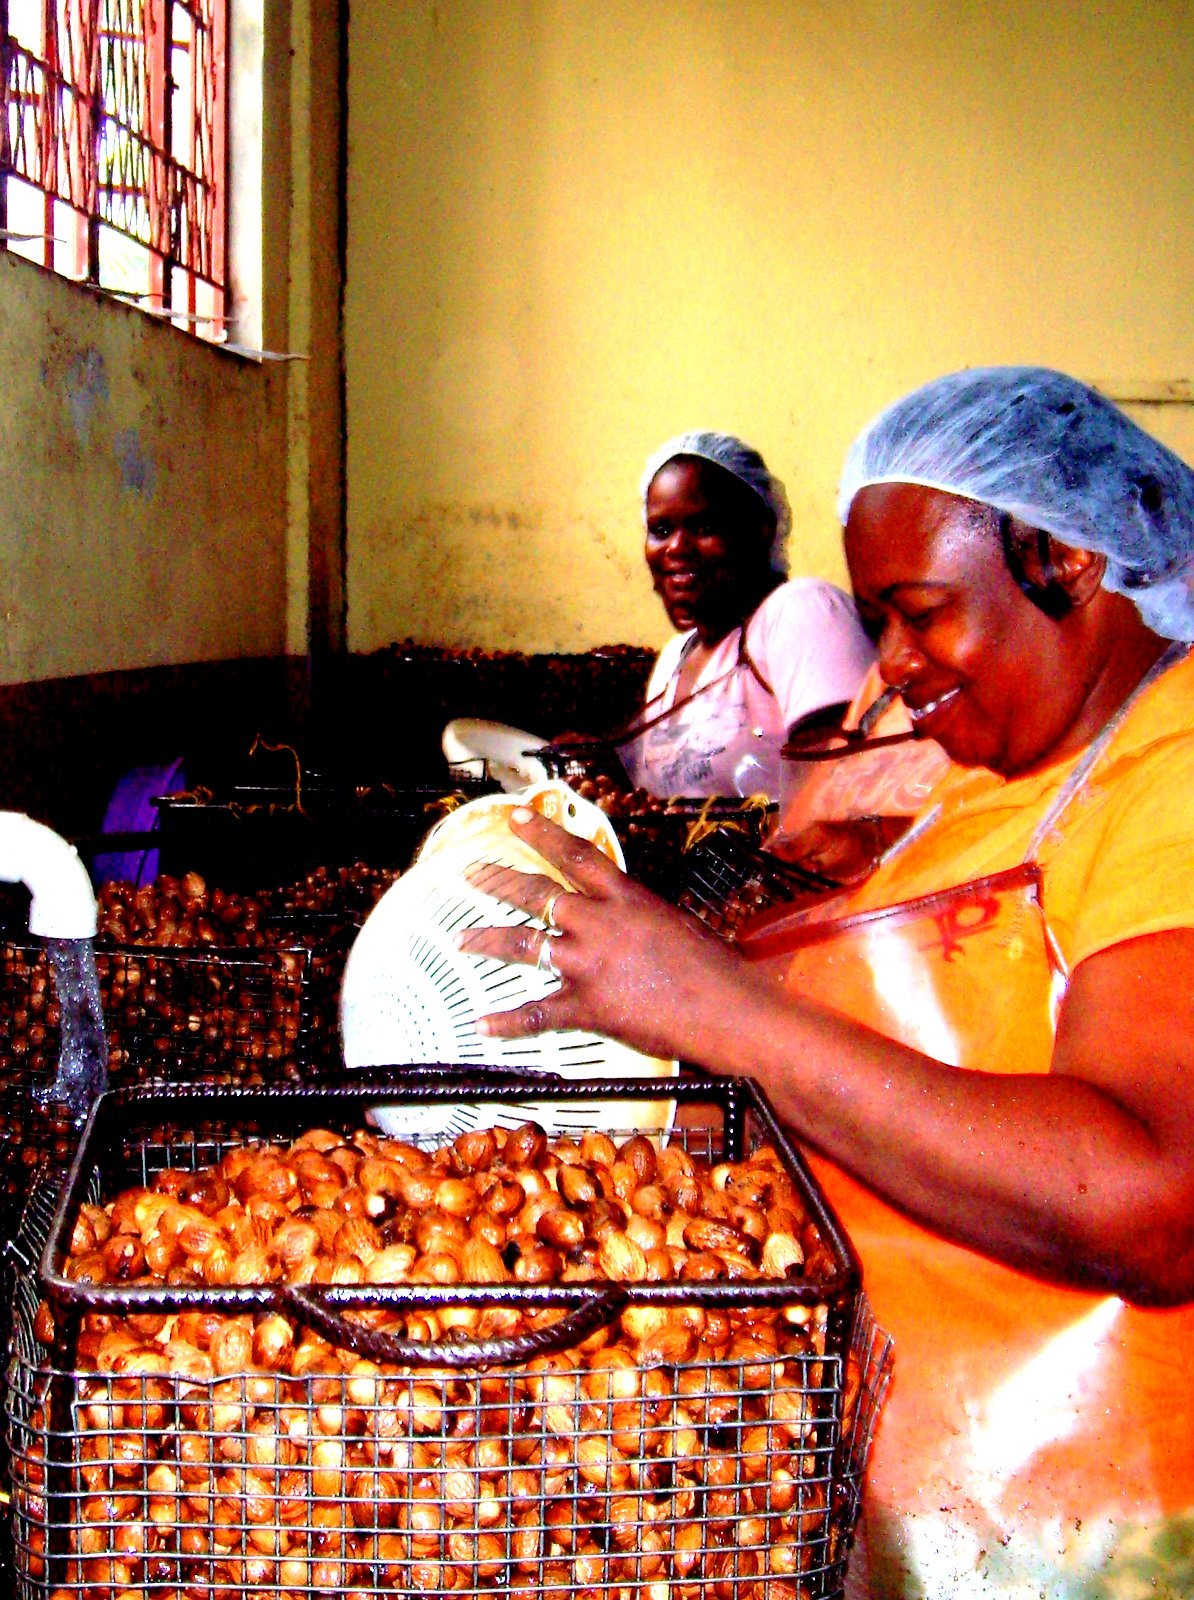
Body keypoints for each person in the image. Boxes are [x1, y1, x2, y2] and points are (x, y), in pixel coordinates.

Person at [459, 368, 1194, 1600]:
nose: (892, 666)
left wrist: (724, 1012)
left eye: (921, 612)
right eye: (878, 620)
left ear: (1067, 562)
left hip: (1100, 1537)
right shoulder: (999, 774)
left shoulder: (1173, 771)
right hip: (940, 1506)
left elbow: (1155, 1199)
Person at [614, 431, 875, 798]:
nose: (676, 548)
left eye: (705, 527)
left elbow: (841, 789)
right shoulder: (674, 658)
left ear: (762, 530)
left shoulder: (800, 612)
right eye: (661, 530)